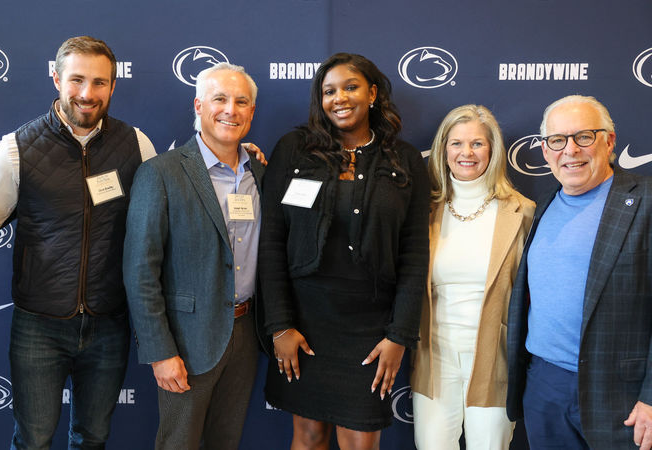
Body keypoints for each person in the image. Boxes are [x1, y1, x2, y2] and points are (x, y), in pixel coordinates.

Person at [0, 36, 156, 449]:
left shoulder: (138, 146)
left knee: (93, 437)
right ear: (56, 77)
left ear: (113, 87)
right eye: (77, 80)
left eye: (100, 83)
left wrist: (236, 158)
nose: (87, 93)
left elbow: (169, 216)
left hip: (109, 323)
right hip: (38, 326)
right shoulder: (16, 150)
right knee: (34, 439)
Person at [259, 52, 429, 449]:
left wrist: (399, 336)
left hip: (371, 329)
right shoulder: (294, 148)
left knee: (360, 440)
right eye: (328, 91)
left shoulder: (403, 160)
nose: (339, 98)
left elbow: (415, 254)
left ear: (372, 93)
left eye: (350, 87)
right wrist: (280, 326)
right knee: (309, 435)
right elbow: (271, 243)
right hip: (304, 322)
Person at [123, 62, 263, 450]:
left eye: (241, 102)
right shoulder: (161, 173)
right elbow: (140, 270)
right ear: (198, 105)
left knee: (226, 441)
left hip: (245, 333)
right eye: (220, 99)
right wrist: (159, 351)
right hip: (186, 340)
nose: (230, 110)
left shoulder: (261, 175)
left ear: (251, 112)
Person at [506, 95, 652, 449]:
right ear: (545, 151)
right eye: (557, 140)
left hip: (622, 393)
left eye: (584, 136)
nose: (570, 150)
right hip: (544, 386)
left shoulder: (646, 201)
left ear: (609, 141)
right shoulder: (542, 205)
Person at [410, 105, 534, 449]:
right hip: (433, 359)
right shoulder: (424, 210)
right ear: (442, 150)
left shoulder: (522, 211)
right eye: (456, 144)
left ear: (492, 150)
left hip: (495, 362)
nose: (466, 153)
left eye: (477, 144)